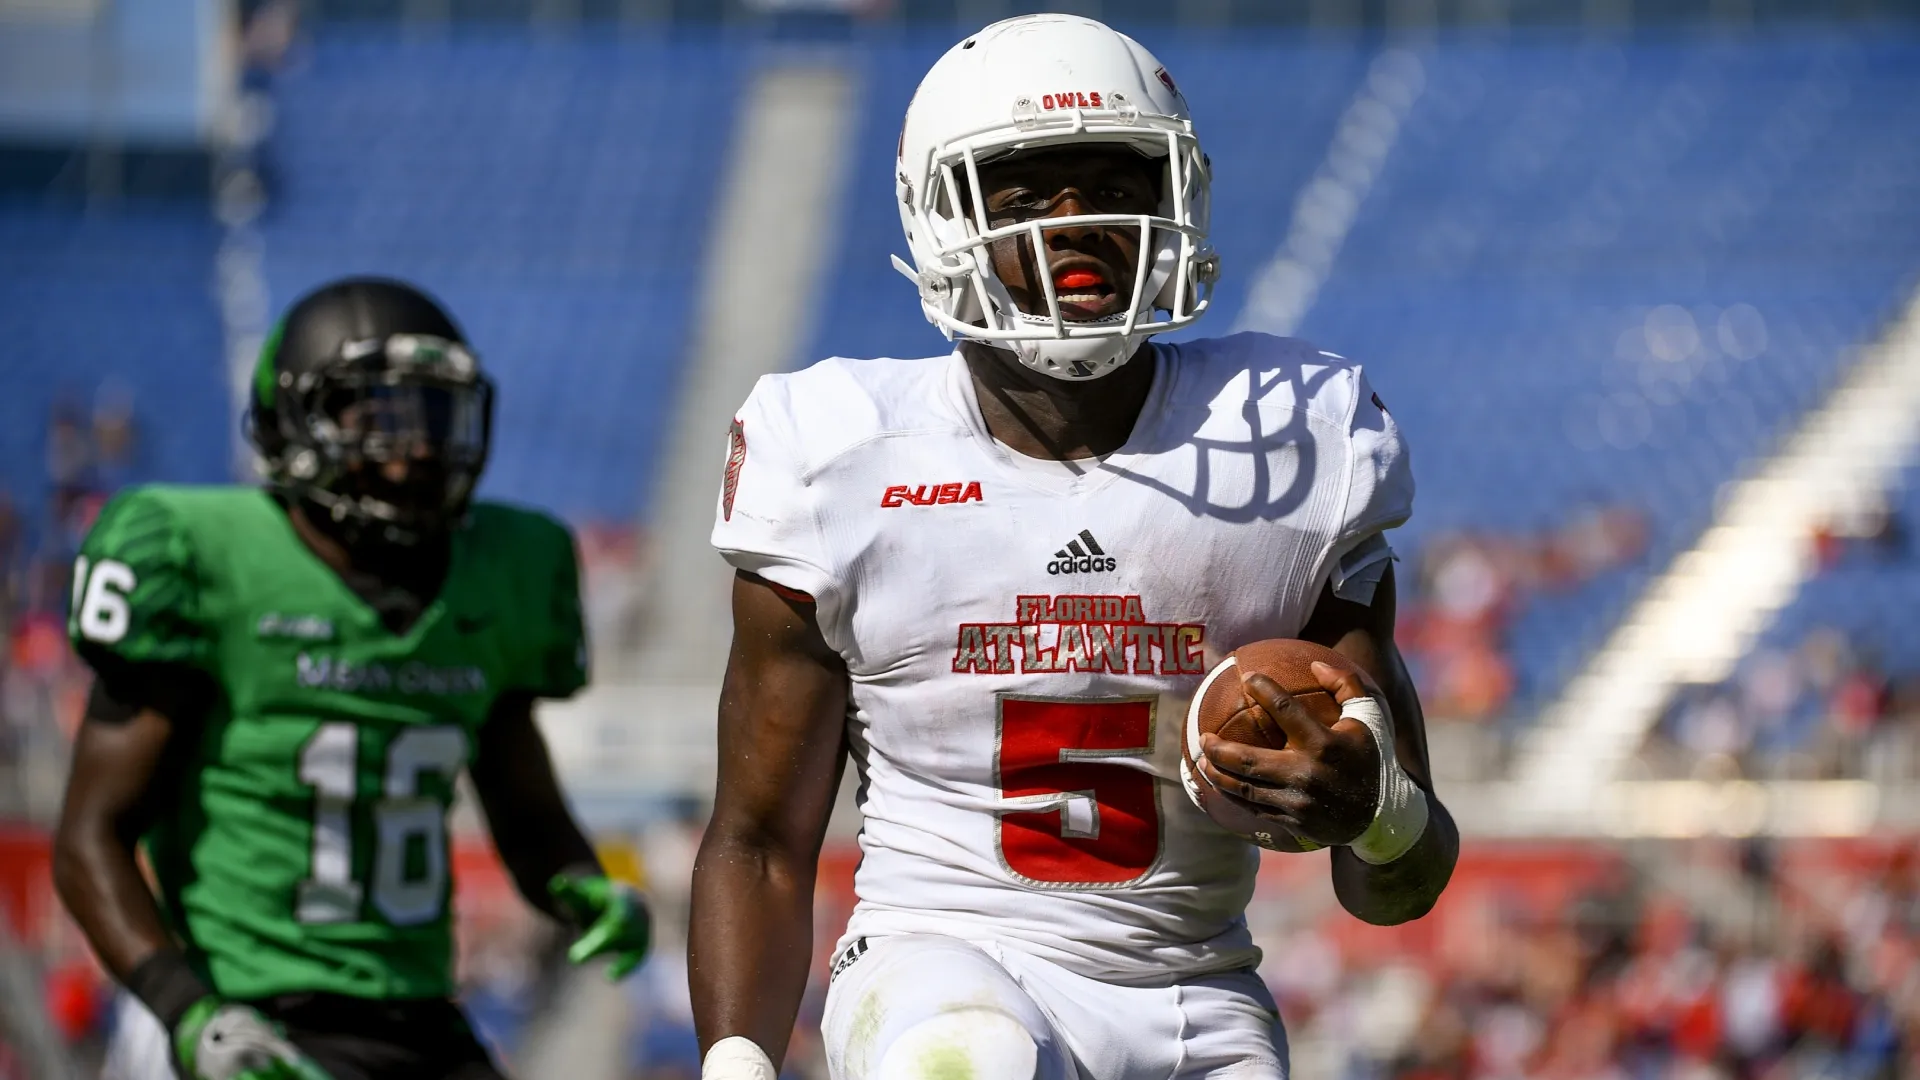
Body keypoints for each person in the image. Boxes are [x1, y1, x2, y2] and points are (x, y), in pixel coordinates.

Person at [688, 15, 1460, 1080]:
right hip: (938, 964)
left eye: (1114, 183)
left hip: (1193, 988)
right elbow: (761, 834)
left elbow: (1403, 881)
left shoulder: (1296, 442)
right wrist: (735, 1066)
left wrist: (1372, 811)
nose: (1080, 220)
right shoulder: (837, 454)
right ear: (940, 215)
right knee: (976, 1060)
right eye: (1026, 194)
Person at [53, 278, 651, 1080]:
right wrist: (187, 1010)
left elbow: (522, 800)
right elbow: (89, 834)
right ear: (295, 422)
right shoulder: (200, 559)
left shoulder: (499, 571)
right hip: (244, 1005)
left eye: (435, 416)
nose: (418, 448)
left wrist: (580, 881)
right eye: (379, 418)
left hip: (417, 1010)